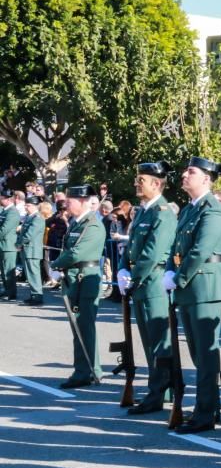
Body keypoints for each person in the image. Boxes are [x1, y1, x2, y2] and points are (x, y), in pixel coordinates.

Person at [164, 157, 221, 434]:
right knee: (196, 354)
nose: (184, 175)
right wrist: (169, 271)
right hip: (189, 290)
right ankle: (208, 405)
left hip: (204, 289)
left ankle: (206, 413)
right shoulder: (190, 210)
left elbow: (200, 251)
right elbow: (176, 247)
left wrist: (177, 278)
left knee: (205, 355)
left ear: (206, 178)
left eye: (191, 171)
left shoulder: (212, 211)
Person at [116, 161, 178, 415]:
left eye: (141, 180)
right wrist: (122, 268)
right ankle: (158, 388)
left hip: (153, 282)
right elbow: (132, 247)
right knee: (147, 340)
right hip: (140, 283)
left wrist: (134, 275)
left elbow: (153, 253)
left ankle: (159, 391)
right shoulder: (142, 212)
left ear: (156, 183)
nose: (136, 184)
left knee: (158, 341)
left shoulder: (163, 212)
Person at [49, 185, 106, 388]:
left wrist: (55, 265)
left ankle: (89, 371)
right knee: (78, 328)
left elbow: (76, 253)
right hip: (74, 278)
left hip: (85, 279)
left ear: (82, 201)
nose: (67, 204)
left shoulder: (92, 225)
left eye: (70, 201)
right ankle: (84, 369)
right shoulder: (76, 223)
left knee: (85, 326)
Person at [16, 195, 45, 305]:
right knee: (29, 274)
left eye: (28, 205)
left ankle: (37, 296)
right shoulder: (30, 217)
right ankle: (34, 294)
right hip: (27, 250)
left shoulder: (37, 218)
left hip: (32, 251)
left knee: (34, 274)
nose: (26, 207)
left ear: (35, 206)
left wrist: (18, 243)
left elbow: (29, 235)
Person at [0, 189, 19, 300]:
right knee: (3, 270)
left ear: (6, 199)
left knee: (9, 271)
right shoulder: (4, 211)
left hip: (8, 246)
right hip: (3, 245)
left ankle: (11, 293)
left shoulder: (12, 212)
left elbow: (4, 229)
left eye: (1, 198)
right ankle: (7, 290)